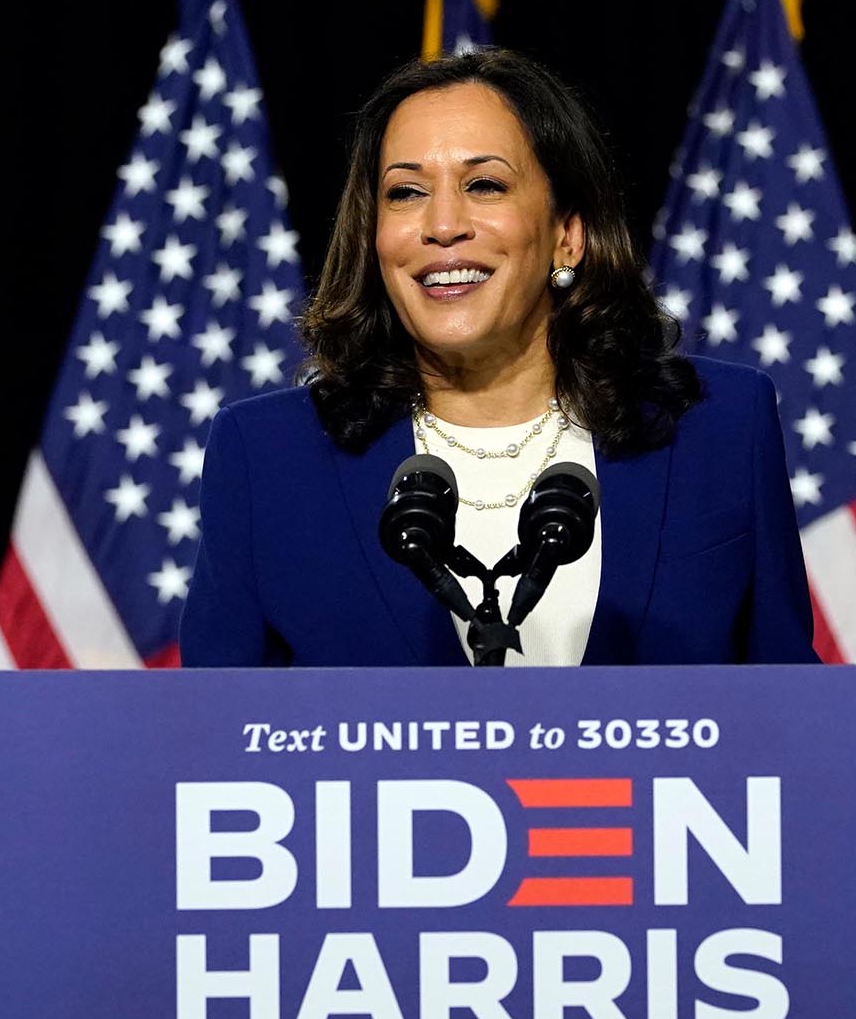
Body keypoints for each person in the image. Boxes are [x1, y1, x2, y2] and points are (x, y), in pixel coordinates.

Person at [179, 49, 817, 667]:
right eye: (405, 193)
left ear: (567, 235)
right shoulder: (268, 456)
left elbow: (790, 718)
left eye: (484, 185)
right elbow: (213, 740)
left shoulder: (721, 428)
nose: (442, 224)